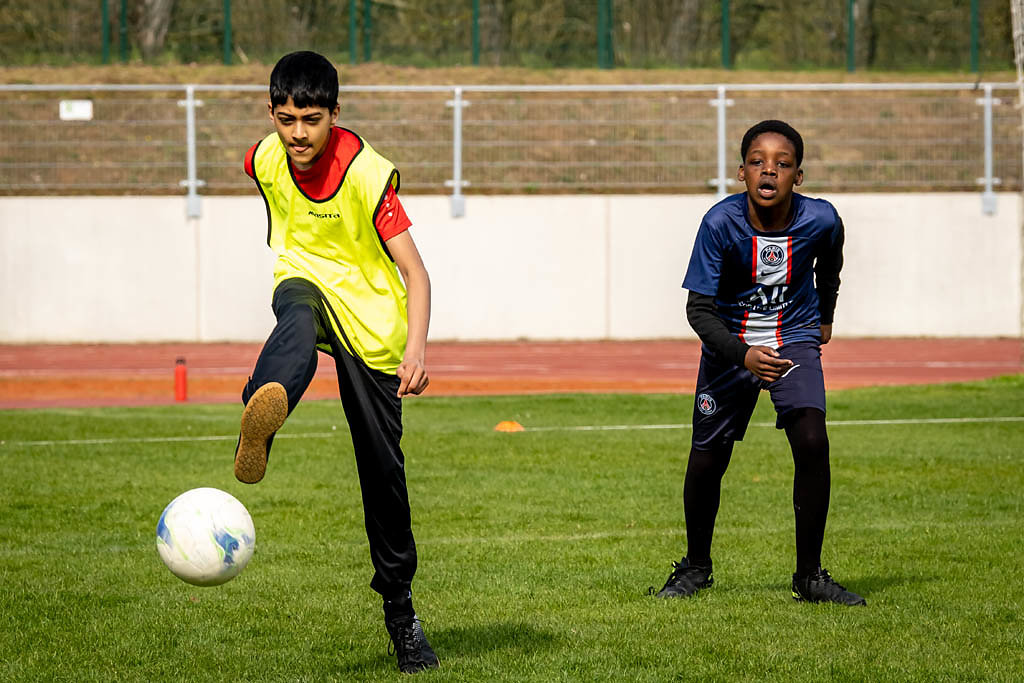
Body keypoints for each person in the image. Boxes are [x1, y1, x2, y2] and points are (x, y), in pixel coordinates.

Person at [234, 51, 439, 672]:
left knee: (382, 472)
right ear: (272, 113)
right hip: (304, 280)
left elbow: (416, 272)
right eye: (286, 118)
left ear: (335, 115)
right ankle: (260, 413)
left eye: (312, 119)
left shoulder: (367, 174)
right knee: (295, 317)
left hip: (373, 324)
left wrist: (416, 350)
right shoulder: (264, 157)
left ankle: (401, 614)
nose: (297, 134)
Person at [653, 120, 865, 606]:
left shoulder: (822, 220)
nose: (769, 170)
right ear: (742, 173)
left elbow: (829, 267)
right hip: (731, 344)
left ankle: (809, 577)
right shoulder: (720, 223)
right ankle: (695, 567)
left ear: (799, 176)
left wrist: (825, 318)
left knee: (813, 441)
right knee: (707, 458)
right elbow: (698, 310)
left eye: (782, 163)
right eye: (757, 161)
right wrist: (743, 355)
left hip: (794, 338)